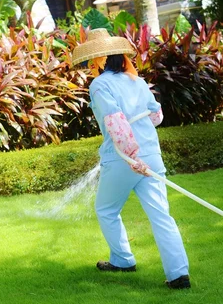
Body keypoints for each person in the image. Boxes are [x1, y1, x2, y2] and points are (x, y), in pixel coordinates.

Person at [72, 28, 190, 289]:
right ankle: (178, 274)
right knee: (162, 216)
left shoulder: (100, 84)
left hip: (123, 158)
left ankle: (123, 260)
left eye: (94, 60)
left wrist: (132, 158)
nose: (93, 65)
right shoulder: (136, 80)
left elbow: (113, 120)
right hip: (152, 154)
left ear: (100, 59)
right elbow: (157, 117)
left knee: (106, 209)